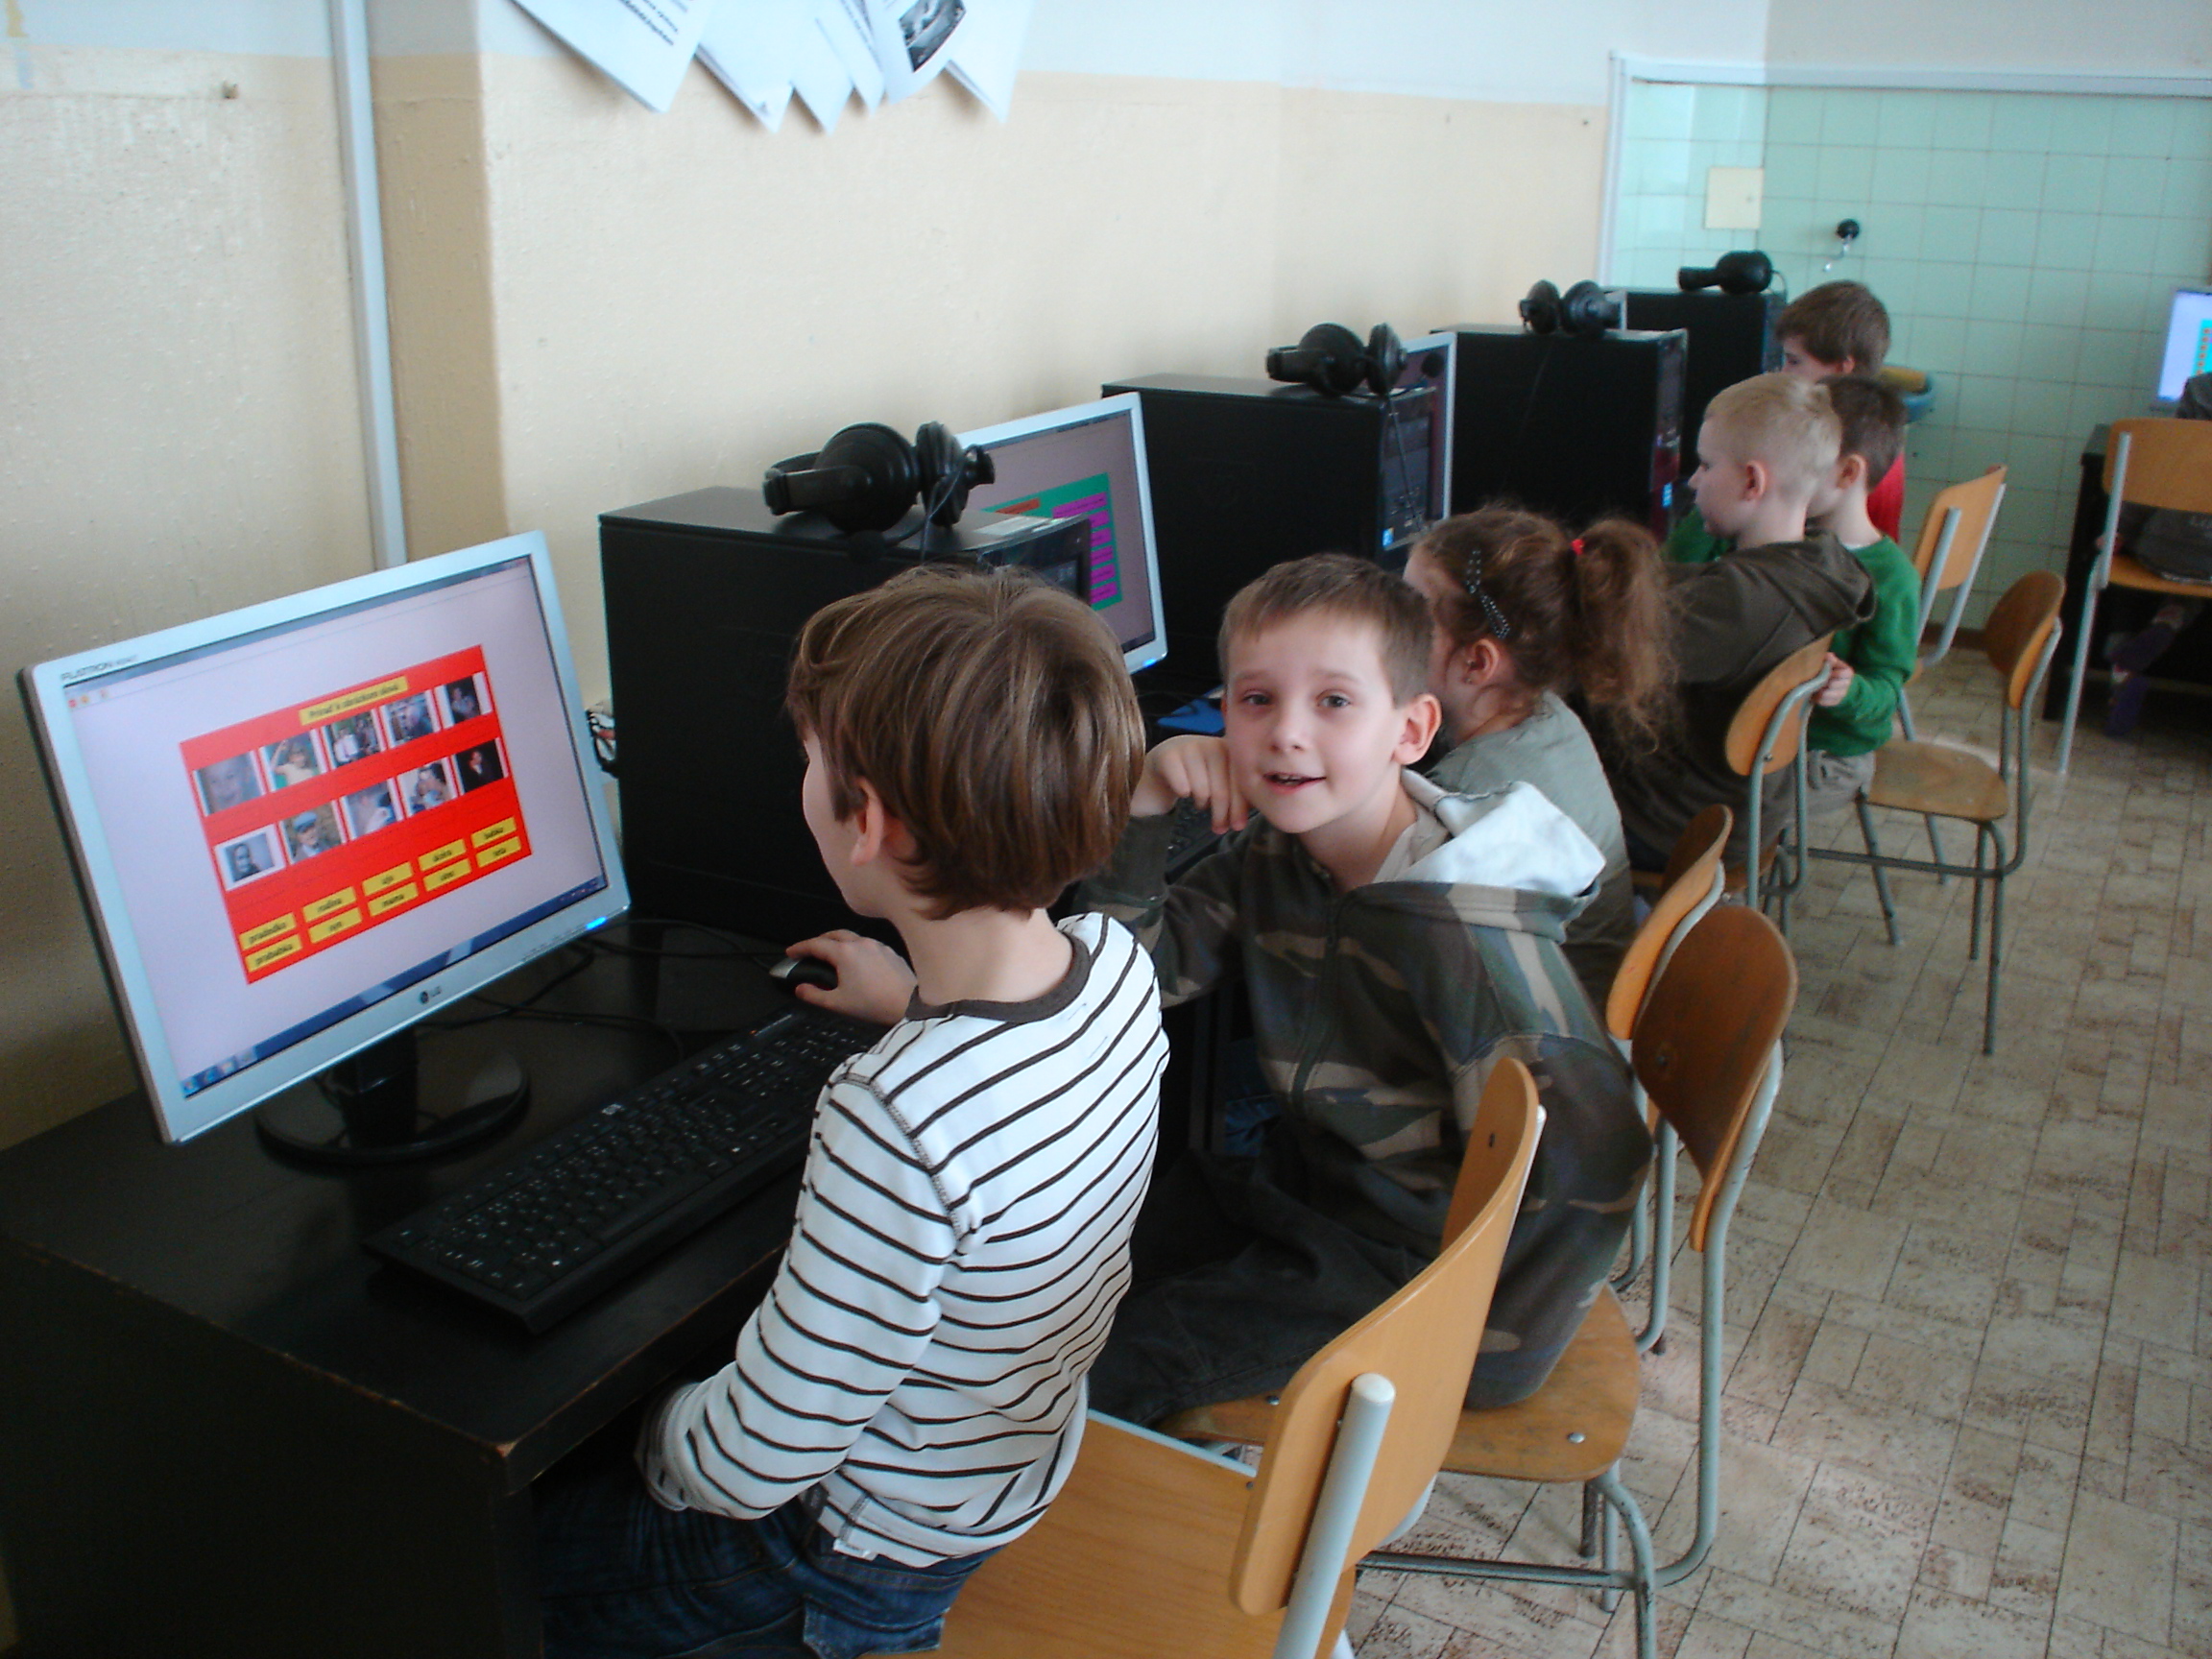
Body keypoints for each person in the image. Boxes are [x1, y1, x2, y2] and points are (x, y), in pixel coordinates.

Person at [533, 565, 1166, 1659]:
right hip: (1000, 1471)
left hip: (840, 1556)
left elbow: (758, 1461)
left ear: (865, 820)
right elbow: (1003, 1105)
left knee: (495, 1559)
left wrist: (650, 1434)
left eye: (810, 760)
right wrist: (914, 1004)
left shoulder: (896, 1115)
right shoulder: (1115, 968)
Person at [1077, 553, 1647, 1423]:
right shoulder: (1282, 853)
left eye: (1334, 701)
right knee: (1058, 1270)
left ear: (1411, 731)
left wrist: (1481, 1352)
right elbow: (1134, 979)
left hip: (1399, 1263)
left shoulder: (1466, 937)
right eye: (1256, 699)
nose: (1286, 733)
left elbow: (1598, 1150)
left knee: (1108, 1375)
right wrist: (1144, 802)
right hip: (1302, 1193)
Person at [1402, 508, 1675, 1012]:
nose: (1386, 628)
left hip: (1549, 1036)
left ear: (1477, 662)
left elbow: (1386, 930)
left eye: (1409, 615)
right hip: (1591, 997)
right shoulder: (1550, 715)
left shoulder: (1470, 795)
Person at [1607, 373, 1875, 874]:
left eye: (1707, 466)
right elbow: (1695, 583)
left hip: (1677, 821)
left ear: (1753, 482)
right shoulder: (1813, 567)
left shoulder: (1743, 601)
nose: (1693, 480)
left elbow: (1609, 654)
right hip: (1740, 803)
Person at [1665, 278, 1904, 561]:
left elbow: (1684, 555)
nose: (1783, 373)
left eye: (1794, 361)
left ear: (1841, 369)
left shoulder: (1836, 452)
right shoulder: (1876, 438)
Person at [1793, 375, 1919, 814]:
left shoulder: (1892, 577)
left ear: (1848, 473)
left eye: (1802, 461)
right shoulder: (1781, 537)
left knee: (1731, 812)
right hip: (1770, 743)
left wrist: (1849, 690)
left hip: (1829, 758)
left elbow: (1887, 688)